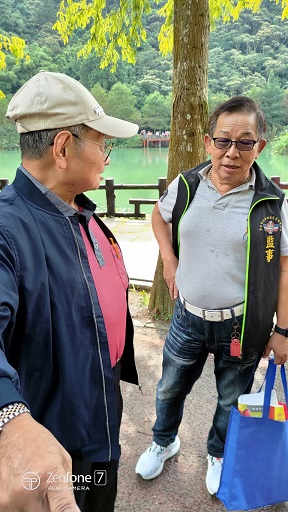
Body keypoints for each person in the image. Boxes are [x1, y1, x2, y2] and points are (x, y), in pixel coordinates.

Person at [0, 70, 139, 512]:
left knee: (102, 496)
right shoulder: (7, 230)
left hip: (99, 414)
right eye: (102, 144)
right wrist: (10, 417)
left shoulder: (80, 210)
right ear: (63, 148)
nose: (107, 158)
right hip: (50, 447)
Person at [135, 96, 288, 495]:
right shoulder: (187, 185)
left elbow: (286, 268)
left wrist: (284, 330)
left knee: (230, 397)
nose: (232, 153)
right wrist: (169, 260)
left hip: (241, 325)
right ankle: (164, 441)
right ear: (208, 142)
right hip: (187, 318)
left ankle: (218, 452)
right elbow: (158, 214)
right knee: (170, 386)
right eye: (223, 141)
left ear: (260, 147)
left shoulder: (272, 203)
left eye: (245, 142)